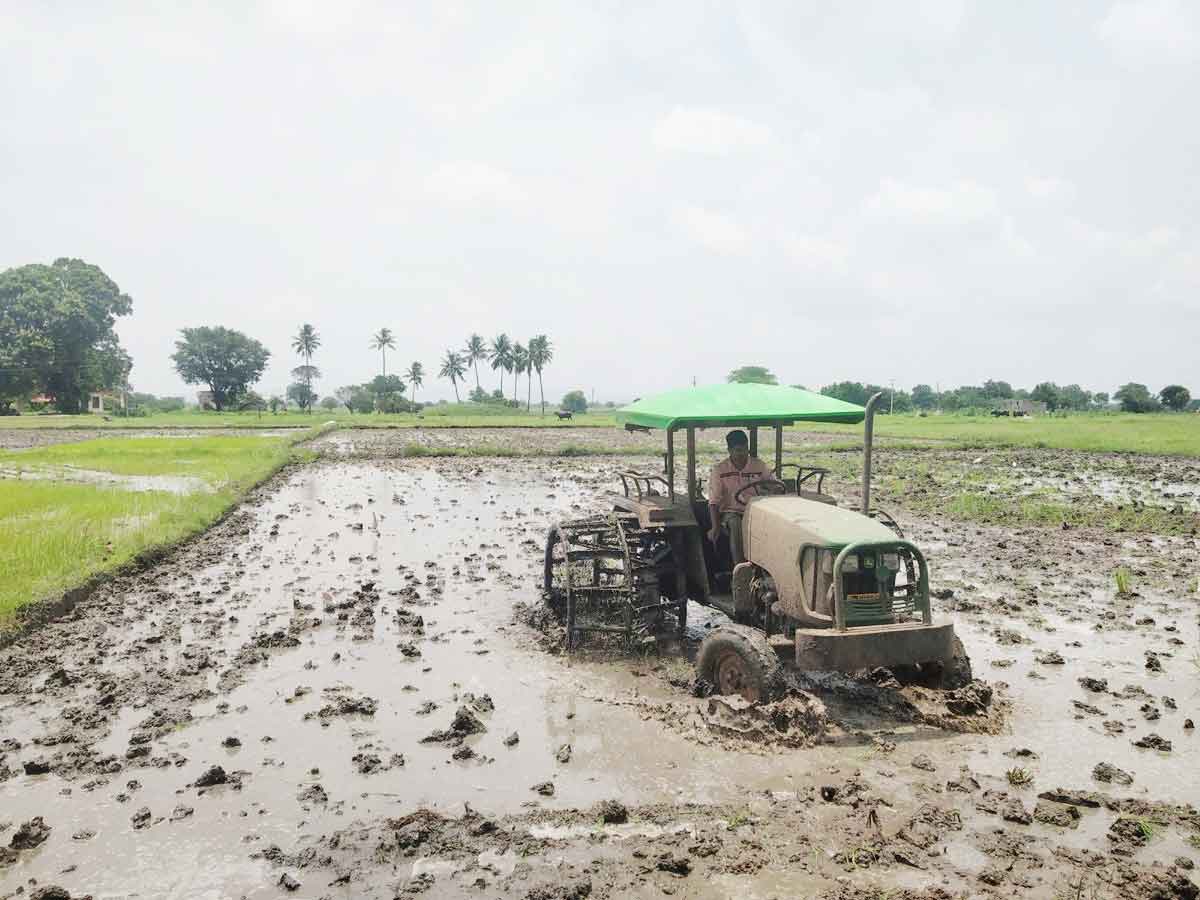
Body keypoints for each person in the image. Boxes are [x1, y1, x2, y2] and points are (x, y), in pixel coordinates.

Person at [707, 430, 774, 565]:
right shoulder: (720, 470)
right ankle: (740, 568)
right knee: (736, 524)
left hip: (756, 510)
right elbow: (713, 501)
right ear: (729, 450)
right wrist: (715, 527)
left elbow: (772, 483)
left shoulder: (759, 465)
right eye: (738, 450)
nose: (742, 454)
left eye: (745, 450)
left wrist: (773, 488)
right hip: (731, 512)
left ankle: (769, 564)